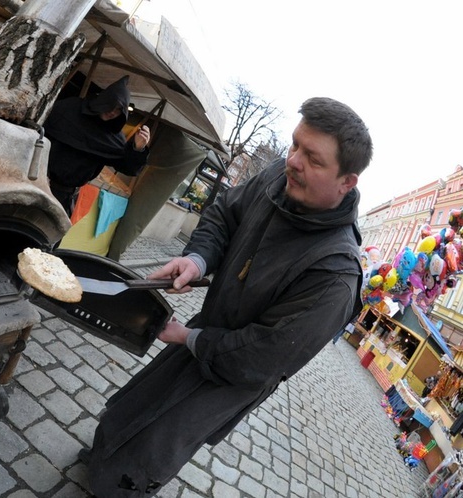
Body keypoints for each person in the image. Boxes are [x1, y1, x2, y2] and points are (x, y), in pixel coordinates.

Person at [79, 97, 373, 496]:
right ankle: (98, 460)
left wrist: (189, 338)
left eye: (314, 159)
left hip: (232, 374)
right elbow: (223, 214)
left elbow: (265, 355)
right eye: (294, 145)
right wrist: (198, 260)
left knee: (156, 444)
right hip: (205, 331)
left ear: (346, 181)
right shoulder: (277, 178)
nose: (293, 161)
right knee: (134, 405)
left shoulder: (336, 274)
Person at [44, 75, 151, 216]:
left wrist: (138, 148)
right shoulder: (69, 108)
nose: (113, 111)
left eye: (119, 109)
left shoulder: (113, 138)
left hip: (63, 195)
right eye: (111, 104)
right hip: (34, 180)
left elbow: (128, 168)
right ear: (103, 100)